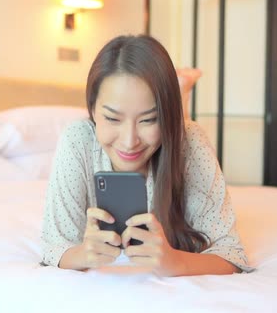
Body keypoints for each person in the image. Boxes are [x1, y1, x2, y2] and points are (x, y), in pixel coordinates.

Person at [40, 35, 252, 276]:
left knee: (183, 130)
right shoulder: (78, 140)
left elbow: (231, 254)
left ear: (166, 116)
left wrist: (175, 263)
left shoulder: (190, 141)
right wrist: (83, 253)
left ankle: (181, 93)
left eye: (149, 119)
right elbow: (53, 248)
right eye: (112, 118)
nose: (130, 142)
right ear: (93, 110)